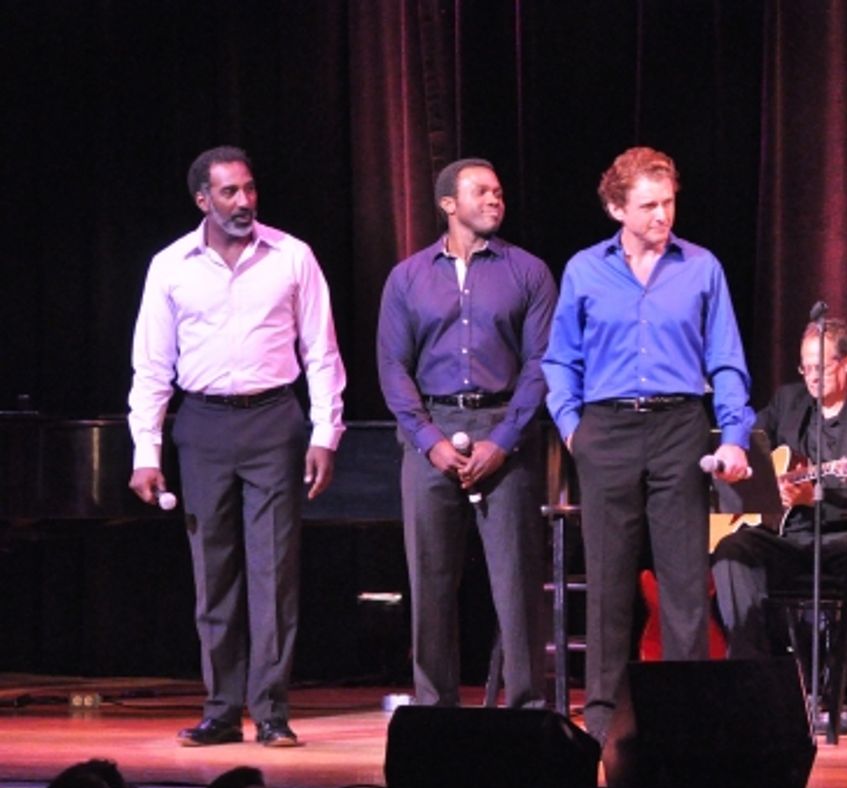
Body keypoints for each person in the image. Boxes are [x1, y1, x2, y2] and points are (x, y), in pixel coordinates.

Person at [127, 145, 346, 748]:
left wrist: (326, 432)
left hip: (273, 419)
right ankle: (222, 709)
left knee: (275, 573)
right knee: (214, 574)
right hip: (201, 425)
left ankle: (271, 710)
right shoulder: (170, 265)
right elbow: (151, 366)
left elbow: (321, 352)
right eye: (229, 192)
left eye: (249, 189)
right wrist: (145, 451)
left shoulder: (292, 256)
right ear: (203, 199)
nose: (244, 201)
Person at [542, 146, 754, 744]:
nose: (664, 215)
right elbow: (560, 359)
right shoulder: (585, 269)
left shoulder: (701, 267)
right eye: (650, 205)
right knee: (608, 584)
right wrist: (572, 427)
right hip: (605, 432)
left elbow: (727, 359)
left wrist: (734, 433)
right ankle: (606, 720)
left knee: (684, 581)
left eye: (669, 203)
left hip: (678, 428)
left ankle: (687, 720)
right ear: (617, 208)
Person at [377, 158, 555, 710]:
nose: (495, 199)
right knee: (430, 584)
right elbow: (391, 365)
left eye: (499, 191)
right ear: (448, 204)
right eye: (482, 192)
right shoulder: (409, 276)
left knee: (517, 585)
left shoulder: (528, 272)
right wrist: (427, 439)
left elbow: (542, 363)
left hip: (505, 430)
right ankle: (435, 711)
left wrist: (502, 441)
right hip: (431, 429)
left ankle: (526, 709)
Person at [711, 318, 847, 659]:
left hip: (842, 541)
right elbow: (747, 441)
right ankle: (756, 671)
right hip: (787, 540)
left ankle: (845, 681)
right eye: (806, 367)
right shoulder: (787, 402)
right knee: (732, 550)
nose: (812, 376)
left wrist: (817, 497)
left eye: (822, 367)